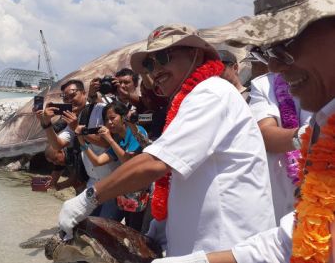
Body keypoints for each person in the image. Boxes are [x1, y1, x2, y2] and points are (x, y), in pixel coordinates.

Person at [152, 0, 335, 262]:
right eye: (265, 50)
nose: (274, 65)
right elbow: (291, 241)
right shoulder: (323, 124)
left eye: (284, 42)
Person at [58, 24, 275, 256]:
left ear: (196, 54)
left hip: (228, 247)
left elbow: (155, 162)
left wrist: (88, 198)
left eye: (163, 57)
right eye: (150, 65)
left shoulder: (212, 92)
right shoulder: (191, 99)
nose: (155, 71)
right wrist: (161, 230)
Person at [35, 79, 121, 219]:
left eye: (72, 95)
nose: (70, 100)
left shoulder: (102, 110)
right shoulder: (75, 118)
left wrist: (78, 130)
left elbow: (109, 142)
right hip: (93, 182)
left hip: (113, 181)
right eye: (66, 98)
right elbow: (57, 144)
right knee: (83, 222)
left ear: (83, 93)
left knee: (106, 226)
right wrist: (46, 124)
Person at [248, 71, 312, 224]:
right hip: (284, 199)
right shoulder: (264, 84)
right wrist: (310, 135)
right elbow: (264, 135)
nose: (272, 63)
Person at [80, 101, 151, 231]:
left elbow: (128, 162)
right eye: (106, 120)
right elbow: (98, 161)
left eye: (113, 118)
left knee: (135, 232)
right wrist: (82, 141)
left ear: (123, 117)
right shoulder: (119, 140)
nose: (109, 123)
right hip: (125, 194)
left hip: (140, 194)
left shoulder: (136, 132)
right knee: (108, 227)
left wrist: (110, 140)